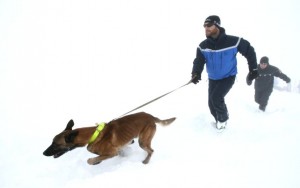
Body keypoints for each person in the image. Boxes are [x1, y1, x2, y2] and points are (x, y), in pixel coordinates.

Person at [191, 15, 258, 130]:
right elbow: (199, 61)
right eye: (204, 26)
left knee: (216, 98)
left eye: (209, 25)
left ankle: (223, 122)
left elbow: (249, 50)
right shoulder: (203, 46)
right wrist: (196, 73)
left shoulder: (233, 41)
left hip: (228, 76)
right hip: (213, 78)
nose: (206, 28)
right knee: (211, 105)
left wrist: (253, 69)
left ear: (217, 25)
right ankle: (219, 121)